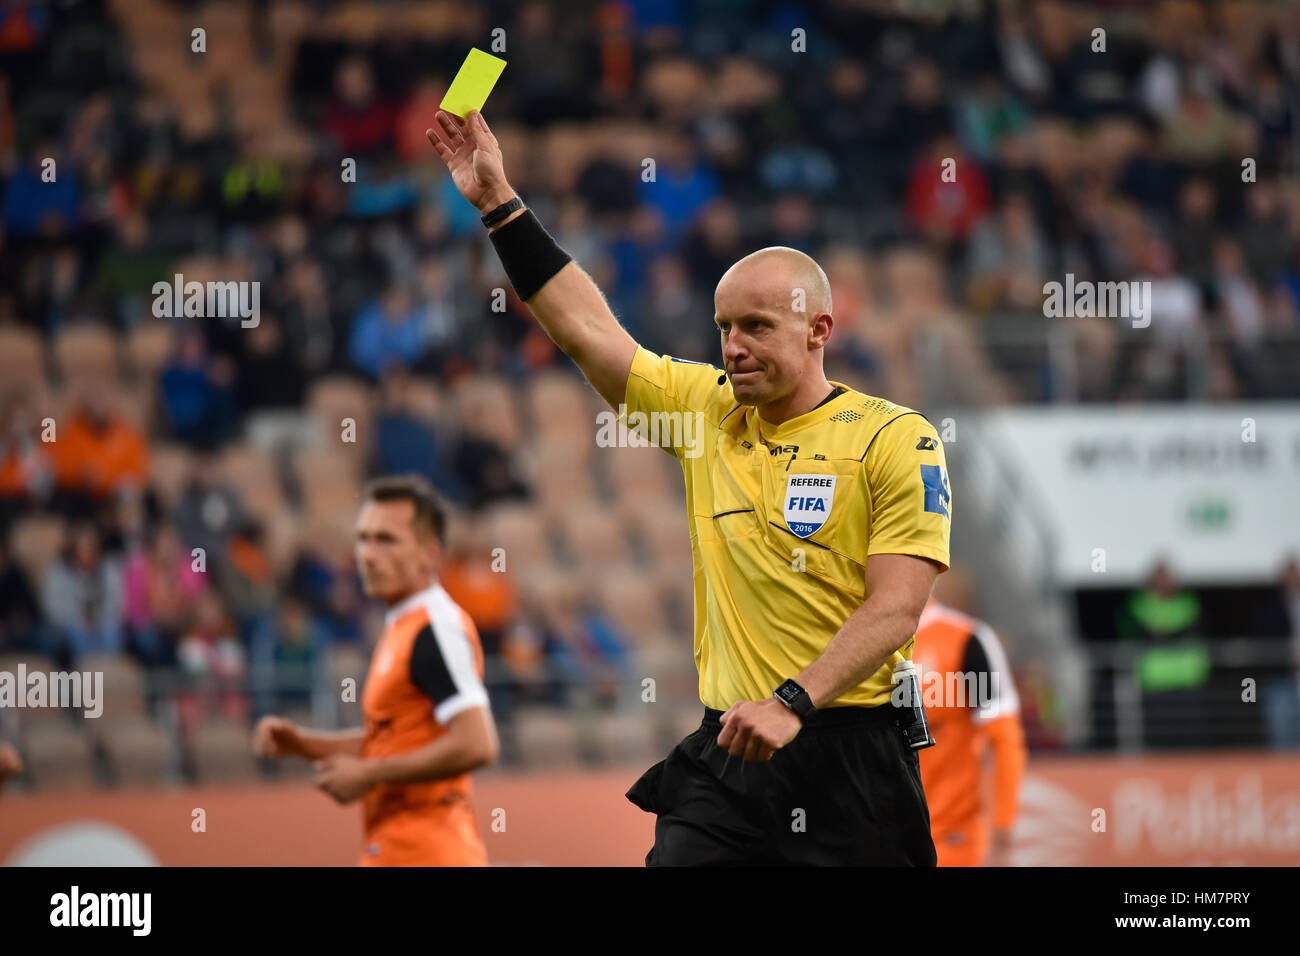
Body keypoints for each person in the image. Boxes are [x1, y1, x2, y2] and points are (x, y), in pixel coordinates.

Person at [428, 109, 951, 865]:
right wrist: (499, 205)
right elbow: (586, 330)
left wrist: (793, 702)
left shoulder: (896, 438)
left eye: (758, 328)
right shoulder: (705, 412)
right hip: (733, 750)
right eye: (723, 328)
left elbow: (897, 606)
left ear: (820, 329)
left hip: (853, 761)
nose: (733, 348)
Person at [252, 475, 498, 866]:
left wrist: (369, 776)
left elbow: (477, 743)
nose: (367, 554)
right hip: (397, 847)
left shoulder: (435, 628)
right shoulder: (402, 626)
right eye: (363, 538)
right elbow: (391, 740)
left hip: (431, 850)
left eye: (386, 540)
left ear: (429, 555)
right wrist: (302, 743)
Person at [911, 598, 1026, 866]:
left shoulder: (965, 639)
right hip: (873, 838)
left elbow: (1005, 740)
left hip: (950, 840)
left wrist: (1003, 828)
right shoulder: (853, 640)